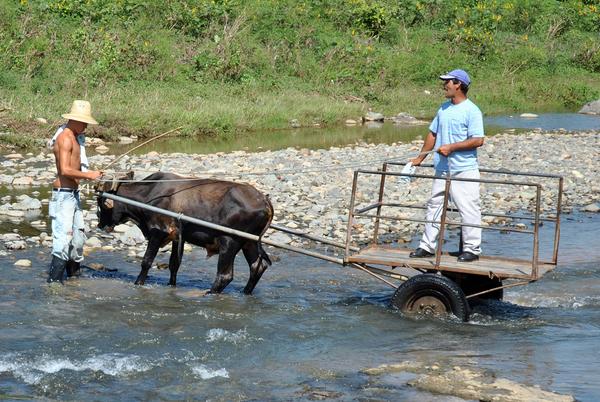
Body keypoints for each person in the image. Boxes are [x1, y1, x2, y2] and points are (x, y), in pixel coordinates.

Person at [409, 69, 484, 262]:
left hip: (464, 169)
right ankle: (426, 246)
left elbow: (478, 140)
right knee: (434, 206)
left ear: (458, 84)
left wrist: (452, 147)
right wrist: (420, 158)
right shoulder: (443, 108)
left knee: (468, 208)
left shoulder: (472, 110)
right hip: (442, 169)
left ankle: (472, 249)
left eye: (448, 82)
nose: (445, 85)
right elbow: (432, 134)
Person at [47, 100, 103, 283]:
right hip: (63, 196)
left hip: (73, 195)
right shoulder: (64, 138)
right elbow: (64, 170)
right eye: (84, 121)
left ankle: (73, 279)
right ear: (75, 120)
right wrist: (89, 175)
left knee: (78, 239)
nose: (86, 125)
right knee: (62, 241)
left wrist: (90, 176)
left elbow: (75, 168)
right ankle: (54, 285)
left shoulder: (77, 138)